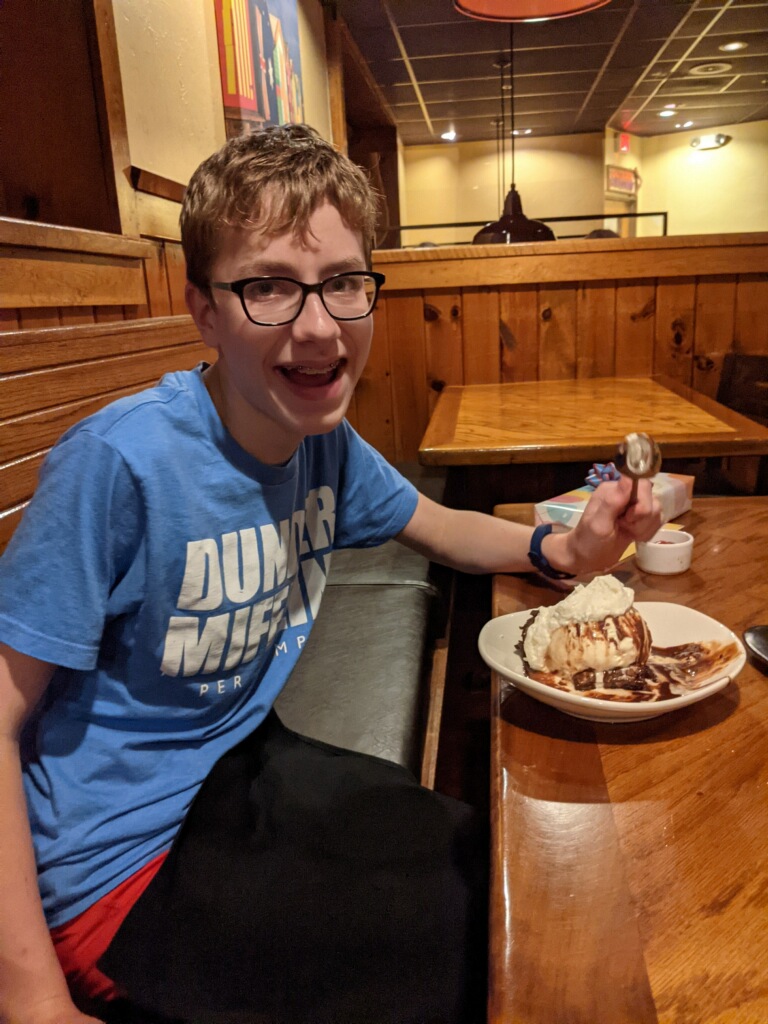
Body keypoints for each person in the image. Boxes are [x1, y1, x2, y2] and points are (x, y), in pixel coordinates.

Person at [0, 123, 661, 1024]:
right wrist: (31, 999)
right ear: (204, 310)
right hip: (120, 873)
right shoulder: (120, 463)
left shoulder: (325, 444)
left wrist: (567, 551)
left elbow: (438, 526)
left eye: (344, 282)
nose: (318, 327)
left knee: (505, 864)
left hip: (243, 762)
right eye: (269, 286)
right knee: (474, 966)